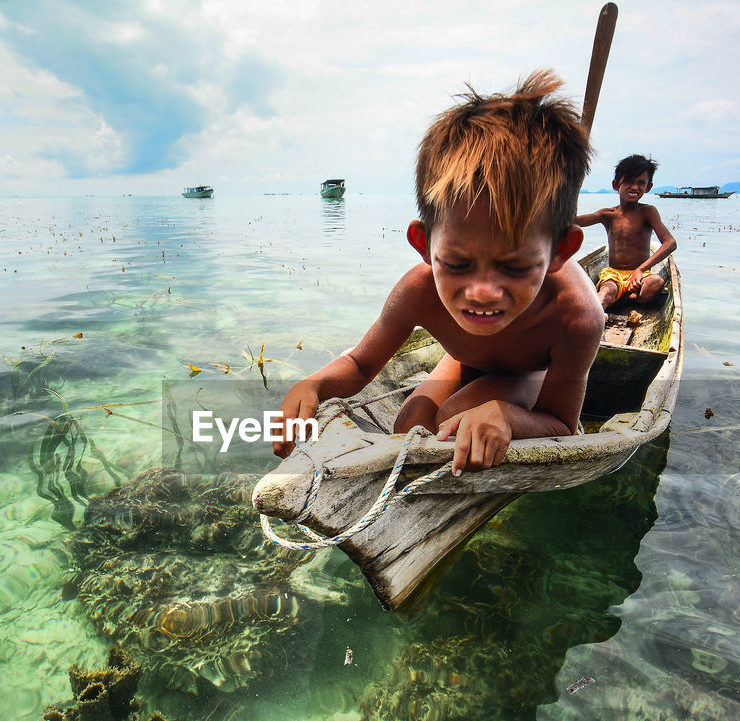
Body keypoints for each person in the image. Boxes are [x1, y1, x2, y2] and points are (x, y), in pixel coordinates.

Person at [272, 70, 603, 476]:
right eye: (457, 264)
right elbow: (360, 366)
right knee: (409, 426)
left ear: (561, 252)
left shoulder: (576, 316)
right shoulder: (418, 290)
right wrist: (313, 386)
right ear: (423, 244)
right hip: (464, 360)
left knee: (456, 417)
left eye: (515, 267)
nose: (483, 292)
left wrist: (507, 416)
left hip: (529, 372)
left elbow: (563, 425)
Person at [575, 154, 677, 309]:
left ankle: (625, 299)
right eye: (629, 181)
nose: (635, 187)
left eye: (641, 183)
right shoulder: (607, 215)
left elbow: (670, 243)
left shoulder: (647, 211)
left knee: (656, 283)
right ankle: (618, 301)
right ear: (616, 185)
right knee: (605, 293)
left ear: (648, 187)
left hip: (641, 275)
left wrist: (640, 269)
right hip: (614, 275)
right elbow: (574, 222)